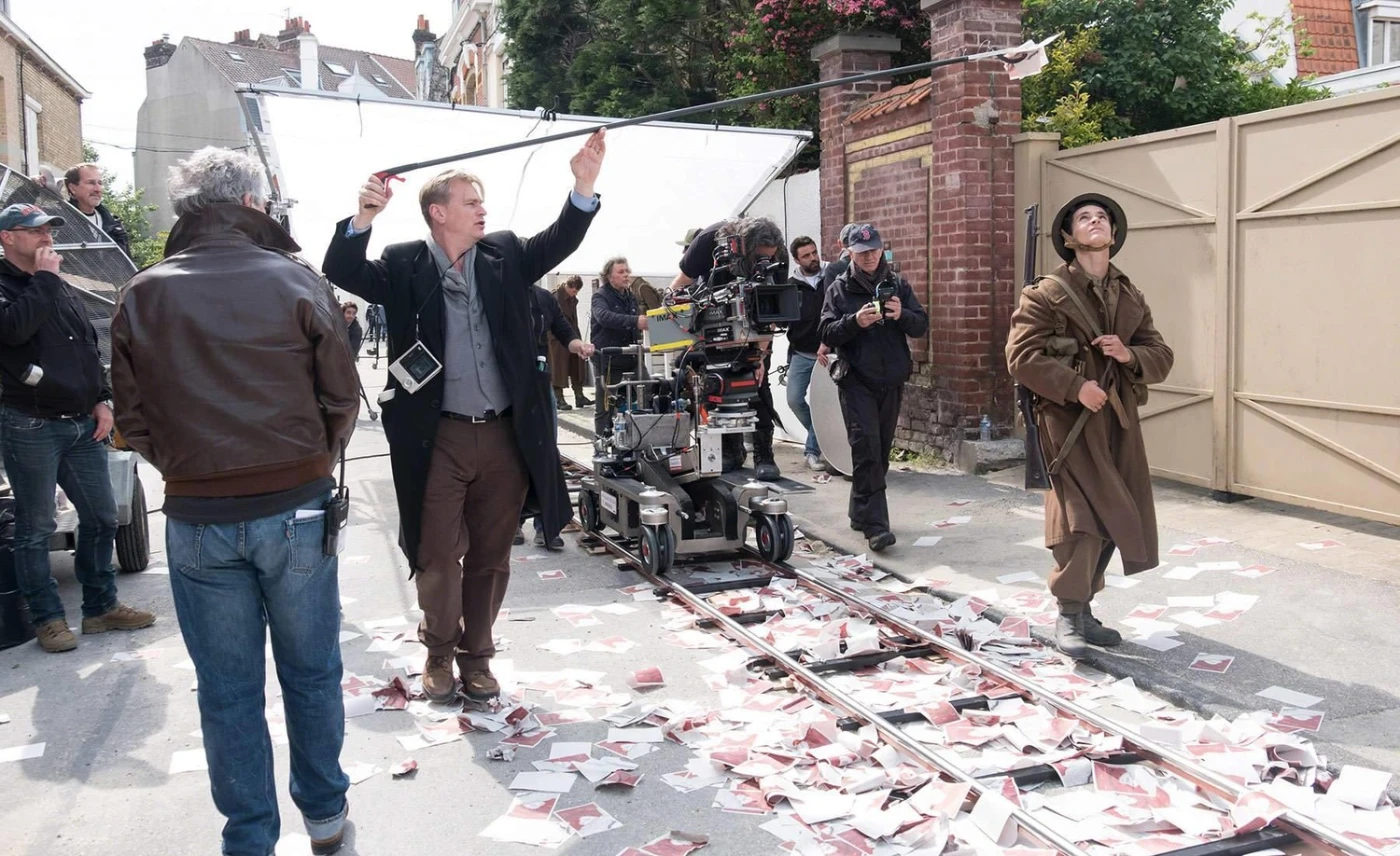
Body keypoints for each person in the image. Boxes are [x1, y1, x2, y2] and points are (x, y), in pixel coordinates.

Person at [110, 147, 360, 856]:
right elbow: (342, 396)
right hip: (296, 503)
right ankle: (324, 819)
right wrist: (312, 462)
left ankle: (249, 839)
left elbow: (131, 416)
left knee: (227, 690)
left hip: (198, 513)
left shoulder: (143, 291)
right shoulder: (294, 279)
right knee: (311, 673)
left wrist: (186, 469)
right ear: (251, 204)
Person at [322, 130, 606, 704]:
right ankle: (438, 651)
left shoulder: (504, 254)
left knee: (491, 557)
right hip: (437, 438)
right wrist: (364, 215)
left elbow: (560, 238)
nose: (482, 210)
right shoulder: (403, 263)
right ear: (439, 212)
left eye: (482, 202)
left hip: (504, 435)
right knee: (434, 554)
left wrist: (583, 185)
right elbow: (342, 268)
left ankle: (478, 657)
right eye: (471, 202)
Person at [1005, 193, 1174, 659]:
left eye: (1102, 217)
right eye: (1084, 217)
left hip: (1118, 420)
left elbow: (1161, 355)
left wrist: (1129, 353)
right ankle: (1069, 610)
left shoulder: (1130, 294)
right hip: (1067, 422)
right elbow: (1021, 357)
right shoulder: (1045, 293)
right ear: (1068, 236)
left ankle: (1084, 612)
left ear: (1113, 234)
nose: (1095, 221)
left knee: (1117, 513)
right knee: (1079, 517)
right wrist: (1076, 386)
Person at [0, 203, 155, 654]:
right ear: (8, 238)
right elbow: (12, 331)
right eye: (35, 231)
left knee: (103, 516)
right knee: (36, 526)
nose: (46, 237)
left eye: (49, 229)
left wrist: (102, 399)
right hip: (30, 423)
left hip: (81, 422)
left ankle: (100, 608)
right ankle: (48, 619)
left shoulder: (58, 284)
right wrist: (45, 280)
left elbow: (86, 344)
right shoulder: (15, 285)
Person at [819, 224, 928, 552]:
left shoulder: (897, 285)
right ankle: (877, 527)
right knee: (866, 449)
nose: (869, 257)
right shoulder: (839, 289)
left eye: (874, 250)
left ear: (882, 249)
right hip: (856, 381)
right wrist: (855, 322)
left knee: (879, 454)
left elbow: (921, 325)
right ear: (850, 253)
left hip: (891, 380)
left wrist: (901, 314)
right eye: (862, 252)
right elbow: (826, 333)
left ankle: (860, 511)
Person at [671, 216, 787, 479]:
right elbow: (678, 285)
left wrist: (761, 355)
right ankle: (729, 450)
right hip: (714, 322)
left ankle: (764, 454)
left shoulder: (778, 256)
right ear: (742, 247)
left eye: (768, 257)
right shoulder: (706, 243)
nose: (763, 262)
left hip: (754, 325)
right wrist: (677, 325)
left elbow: (774, 308)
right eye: (758, 257)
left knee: (758, 384)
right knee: (717, 385)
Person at [517, 284, 594, 548]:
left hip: (539, 383)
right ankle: (513, 521)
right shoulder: (497, 292)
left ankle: (546, 525)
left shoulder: (543, 298)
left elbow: (563, 329)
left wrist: (578, 345)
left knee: (546, 453)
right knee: (513, 456)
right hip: (506, 386)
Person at [784, 236, 831, 472]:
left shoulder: (831, 276)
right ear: (796, 260)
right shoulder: (790, 286)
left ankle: (812, 451)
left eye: (814, 252)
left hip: (829, 353)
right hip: (801, 352)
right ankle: (822, 436)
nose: (813, 258)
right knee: (794, 399)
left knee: (823, 403)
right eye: (806, 255)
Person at [589, 256, 643, 437]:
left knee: (648, 393)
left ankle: (640, 440)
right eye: (621, 272)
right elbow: (604, 317)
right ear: (609, 277)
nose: (626, 275)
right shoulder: (600, 296)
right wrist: (636, 321)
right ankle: (600, 444)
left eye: (627, 271)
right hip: (609, 361)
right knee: (604, 407)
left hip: (632, 358)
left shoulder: (630, 296)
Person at [62, 163, 132, 260]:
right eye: (91, 183)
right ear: (73, 188)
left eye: (100, 183)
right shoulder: (61, 222)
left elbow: (128, 263)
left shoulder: (114, 224)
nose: (97, 189)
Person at [549, 276, 591, 411]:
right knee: (558, 368)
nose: (575, 293)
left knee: (577, 365)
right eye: (574, 291)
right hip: (557, 338)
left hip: (572, 335)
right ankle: (559, 398)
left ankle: (579, 395)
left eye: (577, 291)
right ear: (568, 286)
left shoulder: (571, 298)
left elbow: (573, 318)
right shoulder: (555, 297)